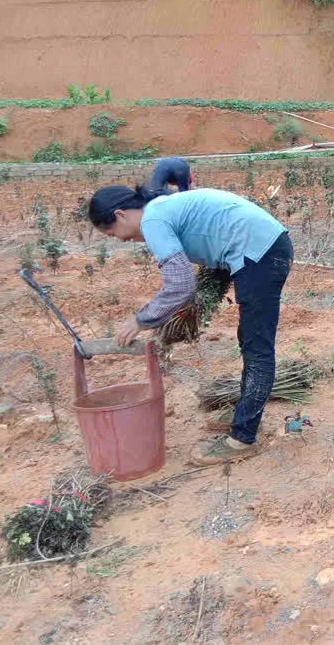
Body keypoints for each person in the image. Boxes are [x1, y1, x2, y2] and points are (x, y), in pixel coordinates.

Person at [87, 185, 293, 466]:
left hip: (261, 253)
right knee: (249, 340)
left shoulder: (152, 220)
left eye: (113, 234)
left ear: (120, 215)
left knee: (257, 348)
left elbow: (180, 284)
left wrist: (141, 320)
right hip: (260, 248)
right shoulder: (160, 209)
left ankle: (242, 439)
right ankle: (246, 412)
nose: (121, 240)